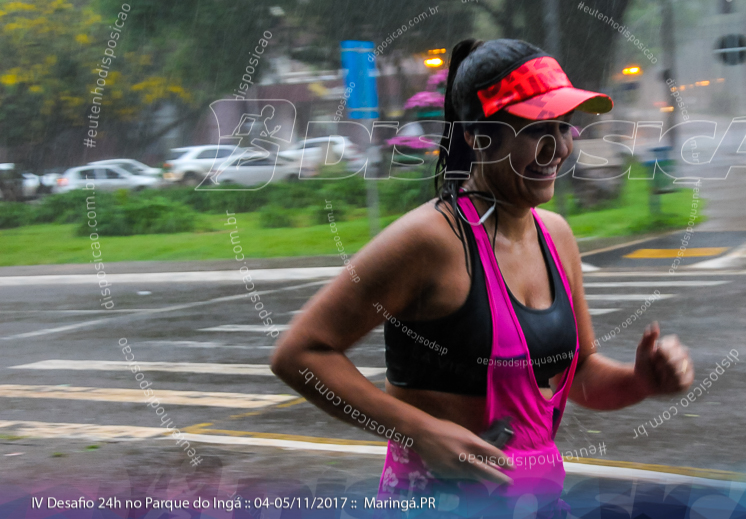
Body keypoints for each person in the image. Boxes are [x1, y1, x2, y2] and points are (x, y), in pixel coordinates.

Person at [271, 38, 695, 516]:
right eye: (538, 128)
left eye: (565, 125)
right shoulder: (432, 241)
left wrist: (640, 381)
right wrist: (420, 431)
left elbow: (577, 377)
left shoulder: (556, 236)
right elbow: (299, 354)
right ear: (478, 136)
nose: (558, 146)